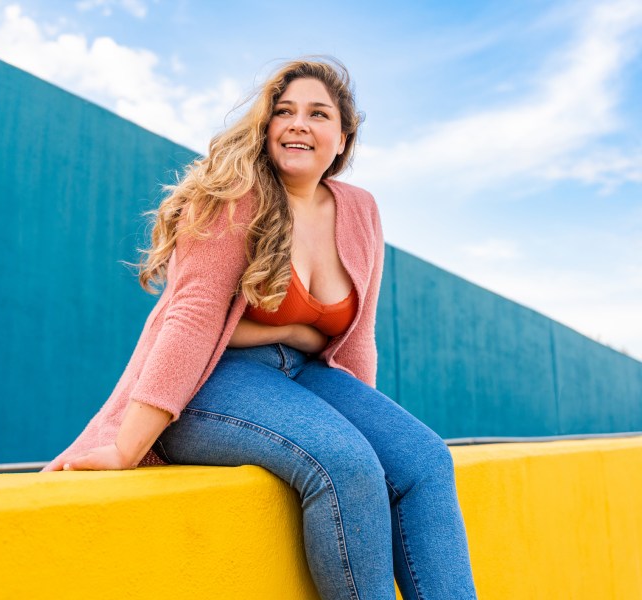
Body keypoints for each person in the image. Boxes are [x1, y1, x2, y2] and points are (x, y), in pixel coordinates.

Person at [43, 57, 477, 600]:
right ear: (267, 127)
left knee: (425, 461)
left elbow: (358, 335)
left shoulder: (360, 210)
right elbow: (193, 316)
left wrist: (362, 417)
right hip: (208, 381)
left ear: (342, 139)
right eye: (284, 111)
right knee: (345, 464)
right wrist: (127, 447)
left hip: (303, 379)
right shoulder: (236, 192)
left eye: (318, 113)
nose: (298, 123)